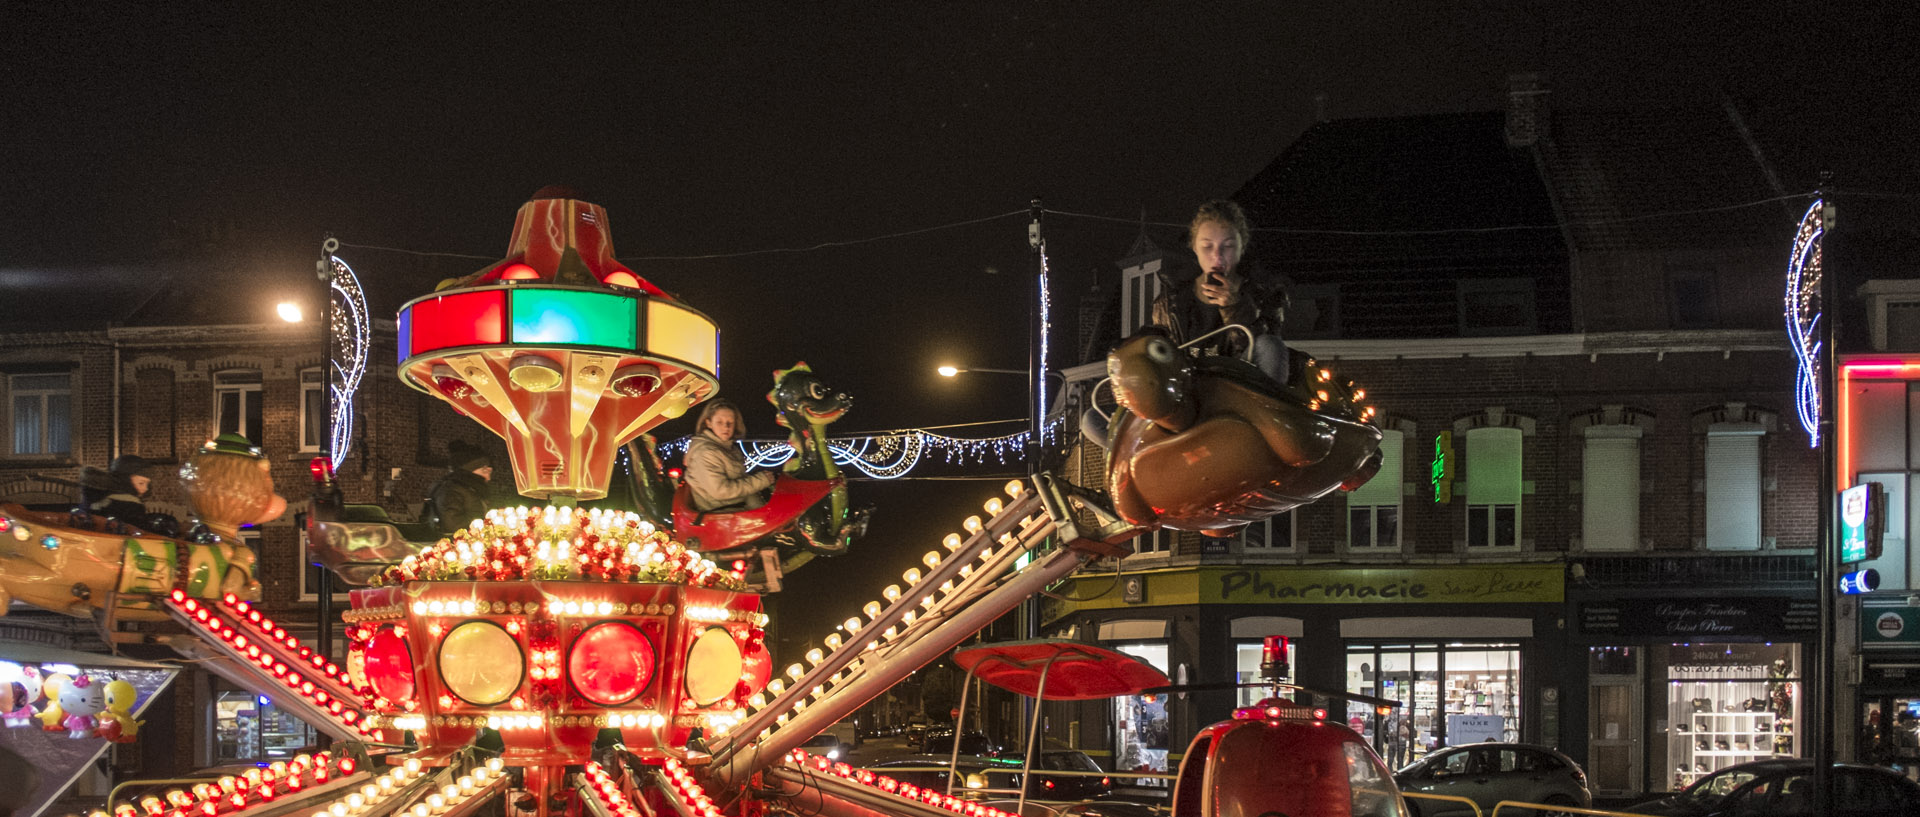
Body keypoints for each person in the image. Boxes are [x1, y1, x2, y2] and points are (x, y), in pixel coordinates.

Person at [1150, 199, 1290, 386]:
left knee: (1269, 345)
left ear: (1242, 248)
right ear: (1195, 248)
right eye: (1208, 246)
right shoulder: (1171, 300)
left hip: (1242, 391)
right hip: (1189, 395)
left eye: (1228, 246)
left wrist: (1235, 308)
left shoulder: (1264, 295)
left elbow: (1269, 351)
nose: (1217, 256)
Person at [683, 398, 776, 513]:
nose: (726, 427)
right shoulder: (706, 452)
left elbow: (744, 488)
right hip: (721, 516)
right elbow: (721, 491)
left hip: (737, 511)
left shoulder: (730, 449)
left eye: (730, 422)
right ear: (708, 423)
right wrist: (761, 480)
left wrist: (765, 513)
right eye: (719, 422)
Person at [426, 441, 493, 534]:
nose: (488, 478)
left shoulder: (470, 489)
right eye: (484, 471)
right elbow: (453, 525)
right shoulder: (451, 491)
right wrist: (487, 524)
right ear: (469, 470)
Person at [79, 455, 158, 526]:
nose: (145, 488)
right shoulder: (131, 504)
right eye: (141, 483)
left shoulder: (94, 496)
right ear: (125, 480)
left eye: (147, 484)